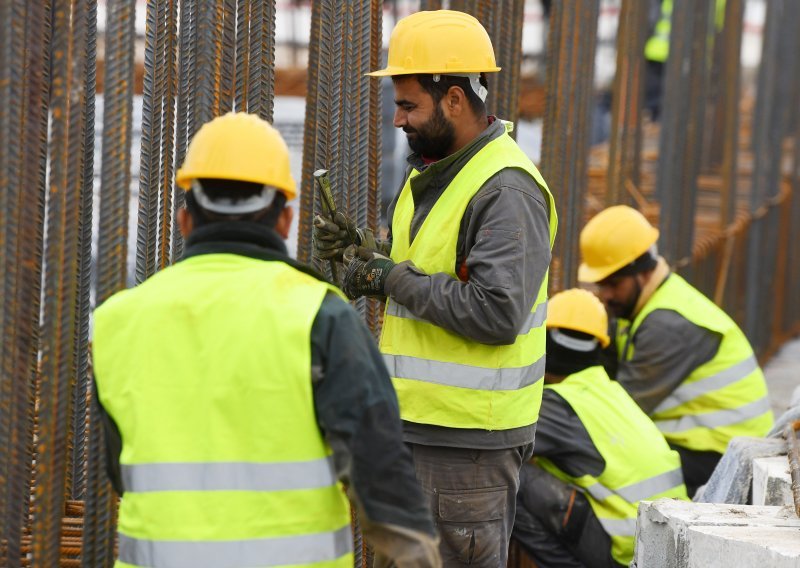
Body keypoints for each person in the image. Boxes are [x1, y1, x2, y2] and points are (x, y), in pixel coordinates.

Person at [91, 112, 440, 568]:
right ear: (285, 220)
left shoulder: (117, 321)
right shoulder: (321, 316)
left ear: (183, 219)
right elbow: (381, 472)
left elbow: (119, 470)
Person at [313, 10, 557, 566]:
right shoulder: (436, 169)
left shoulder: (505, 190)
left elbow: (497, 312)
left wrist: (388, 277)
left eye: (407, 105)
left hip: (464, 448)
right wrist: (370, 255)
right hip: (424, 432)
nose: (398, 120)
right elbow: (428, 269)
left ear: (453, 99)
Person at [577, 205, 773, 496]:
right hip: (712, 449)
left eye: (613, 284)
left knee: (592, 460)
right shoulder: (645, 307)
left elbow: (621, 412)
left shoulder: (667, 325)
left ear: (642, 273)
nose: (604, 295)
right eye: (600, 284)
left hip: (726, 463)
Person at [512, 288, 688, 568]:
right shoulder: (608, 390)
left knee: (506, 475)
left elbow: (499, 443)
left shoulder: (560, 404)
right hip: (672, 546)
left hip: (630, 552)